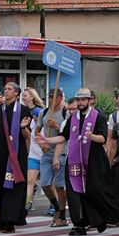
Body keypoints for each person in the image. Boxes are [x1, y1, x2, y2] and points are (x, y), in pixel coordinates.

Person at [37, 88, 119, 236]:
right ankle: (79, 224)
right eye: (79, 100)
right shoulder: (73, 118)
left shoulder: (98, 117)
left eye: (83, 100)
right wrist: (47, 139)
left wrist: (91, 136)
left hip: (94, 160)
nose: (81, 103)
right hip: (75, 160)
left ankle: (100, 219)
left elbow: (103, 138)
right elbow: (63, 137)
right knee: (74, 192)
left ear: (90, 101)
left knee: (94, 191)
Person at [0, 82, 32, 233]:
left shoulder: (23, 110)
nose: (6, 91)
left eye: (9, 89)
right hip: (1, 153)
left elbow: (27, 136)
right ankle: (2, 217)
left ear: (16, 93)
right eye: (5, 89)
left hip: (17, 154)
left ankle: (9, 221)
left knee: (13, 186)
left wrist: (23, 127)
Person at [37, 88, 69, 226]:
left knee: (60, 185)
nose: (51, 100)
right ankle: (56, 206)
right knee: (44, 183)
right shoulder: (44, 112)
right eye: (49, 97)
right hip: (47, 152)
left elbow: (67, 132)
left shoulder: (65, 112)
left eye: (54, 97)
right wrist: (41, 144)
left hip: (61, 151)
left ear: (61, 98)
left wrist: (55, 125)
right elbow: (37, 130)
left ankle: (62, 214)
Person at [22, 87, 45, 211]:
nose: (23, 98)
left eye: (25, 95)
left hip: (43, 151)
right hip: (32, 152)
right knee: (30, 179)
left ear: (32, 97)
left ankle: (55, 205)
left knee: (48, 182)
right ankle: (28, 202)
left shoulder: (38, 111)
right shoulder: (24, 111)